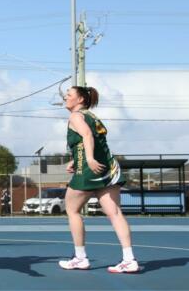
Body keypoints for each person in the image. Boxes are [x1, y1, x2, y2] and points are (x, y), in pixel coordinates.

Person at [58, 86, 139, 273]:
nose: (65, 97)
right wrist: (76, 159)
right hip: (108, 167)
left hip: (89, 169)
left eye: (69, 95)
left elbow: (86, 135)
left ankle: (80, 258)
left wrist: (88, 160)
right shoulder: (92, 116)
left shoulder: (76, 117)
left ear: (79, 100)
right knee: (115, 213)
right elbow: (95, 141)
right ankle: (129, 259)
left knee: (72, 210)